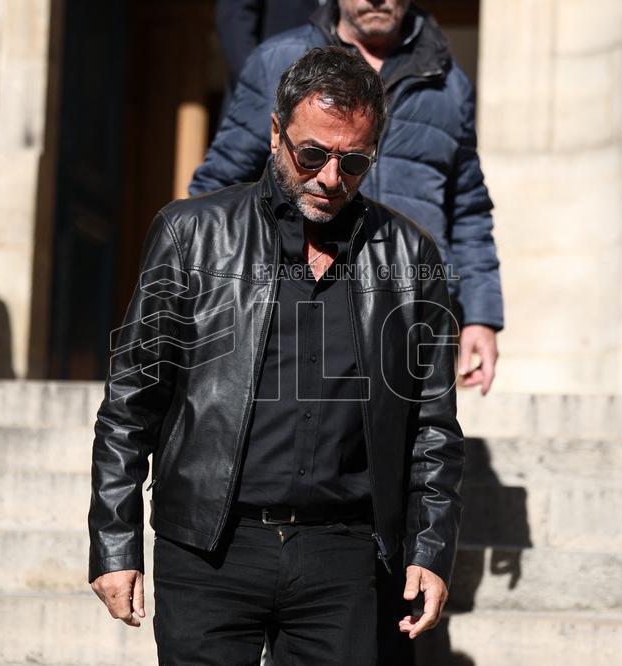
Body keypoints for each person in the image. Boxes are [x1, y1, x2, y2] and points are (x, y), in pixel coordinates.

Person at [89, 47, 464, 665]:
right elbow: (130, 404)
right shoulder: (191, 235)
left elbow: (432, 425)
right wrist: (114, 542)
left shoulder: (410, 256)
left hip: (346, 554)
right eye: (312, 154)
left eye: (354, 162)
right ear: (274, 134)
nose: (328, 178)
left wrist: (430, 546)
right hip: (208, 545)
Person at [192, 0, 503, 396]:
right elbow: (219, 186)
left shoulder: (449, 83)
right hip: (292, 314)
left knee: (411, 449)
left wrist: (481, 316)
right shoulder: (278, 60)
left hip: (406, 313)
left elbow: (469, 209)